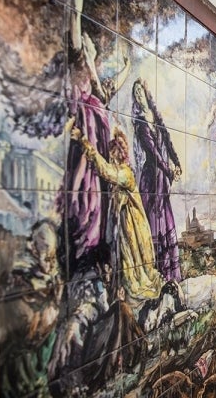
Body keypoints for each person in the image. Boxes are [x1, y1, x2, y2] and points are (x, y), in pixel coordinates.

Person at [62, 0, 130, 274]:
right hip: (86, 157)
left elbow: (110, 91)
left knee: (102, 212)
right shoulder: (79, 70)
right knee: (85, 207)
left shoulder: (97, 84)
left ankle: (99, 267)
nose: (88, 42)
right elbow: (75, 18)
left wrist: (129, 68)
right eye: (86, 41)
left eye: (89, 42)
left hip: (101, 155)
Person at [71, 125, 163, 300]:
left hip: (132, 228)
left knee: (135, 271)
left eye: (112, 154)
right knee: (129, 266)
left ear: (117, 154)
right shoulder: (122, 172)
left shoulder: (126, 173)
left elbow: (106, 171)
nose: (110, 157)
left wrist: (84, 141)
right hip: (125, 227)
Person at [131, 78, 183, 281]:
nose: (138, 96)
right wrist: (169, 171)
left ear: (146, 93)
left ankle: (171, 278)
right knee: (154, 228)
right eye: (135, 94)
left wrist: (177, 163)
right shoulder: (140, 123)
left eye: (140, 92)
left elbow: (167, 141)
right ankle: (158, 278)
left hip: (162, 183)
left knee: (166, 225)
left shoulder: (155, 117)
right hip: (151, 182)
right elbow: (154, 153)